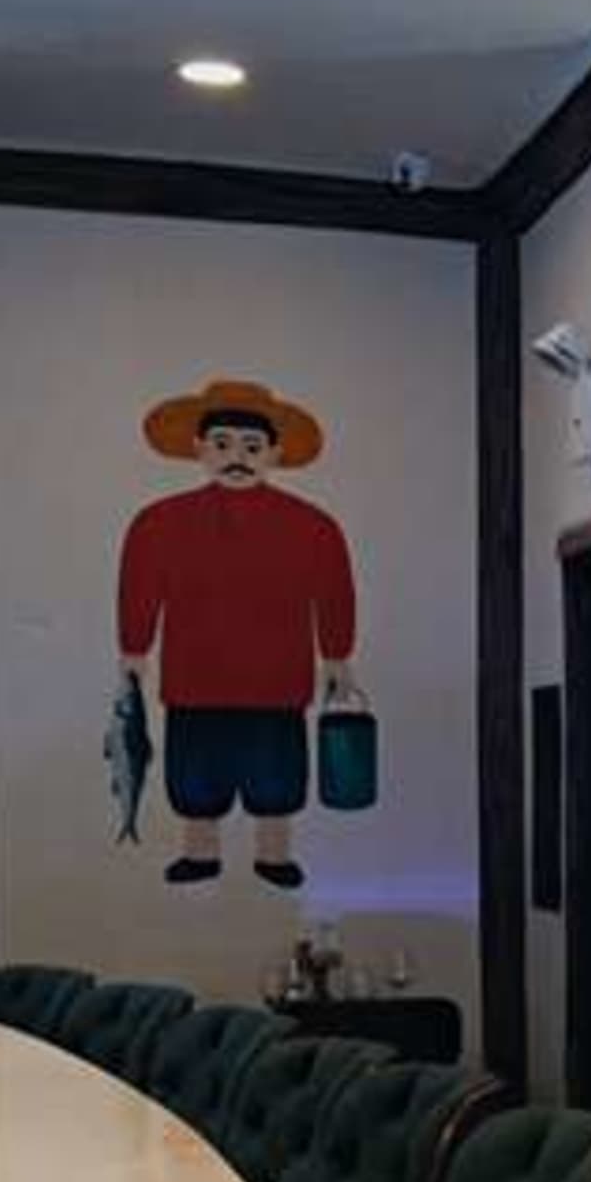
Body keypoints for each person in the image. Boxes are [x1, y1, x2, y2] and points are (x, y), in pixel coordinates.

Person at [115, 378, 359, 889]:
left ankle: (274, 854)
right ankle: (200, 853)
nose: (237, 458)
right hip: (194, 680)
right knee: (195, 777)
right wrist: (134, 647)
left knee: (276, 778)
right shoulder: (160, 522)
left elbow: (334, 590)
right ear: (199, 449)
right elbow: (138, 584)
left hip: (277, 682)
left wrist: (337, 654)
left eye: (251, 447)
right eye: (222, 444)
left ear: (274, 452)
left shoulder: (312, 526)